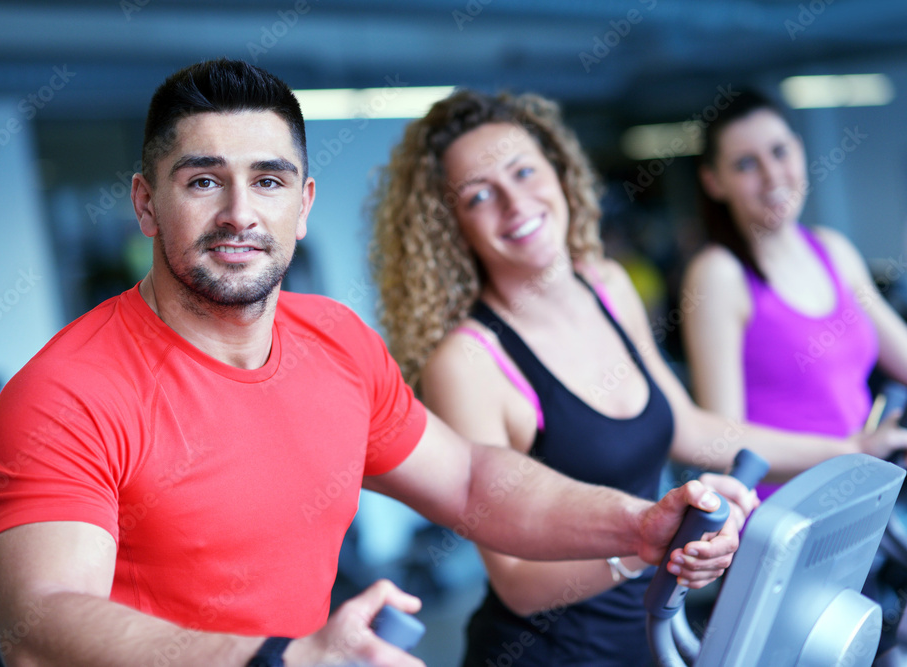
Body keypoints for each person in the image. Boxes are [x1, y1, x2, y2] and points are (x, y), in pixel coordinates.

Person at [0, 59, 741, 667]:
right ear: (146, 204)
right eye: (204, 180)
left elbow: (473, 481)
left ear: (303, 204)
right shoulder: (67, 392)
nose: (241, 212)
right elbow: (40, 621)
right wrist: (282, 657)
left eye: (269, 181)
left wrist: (635, 524)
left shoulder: (337, 341)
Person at [369, 89, 907, 666]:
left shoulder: (607, 285)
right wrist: (644, 541)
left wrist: (850, 450)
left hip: (646, 637)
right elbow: (519, 582)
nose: (516, 202)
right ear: (451, 226)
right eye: (479, 195)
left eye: (525, 171)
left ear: (559, 170)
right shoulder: (469, 362)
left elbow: (692, 428)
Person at [681, 89, 907, 497]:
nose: (771, 176)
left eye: (780, 151)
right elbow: (721, 444)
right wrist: (849, 452)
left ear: (800, 152)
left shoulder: (833, 250)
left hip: (864, 497)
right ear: (714, 181)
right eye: (746, 164)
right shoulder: (718, 275)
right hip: (789, 517)